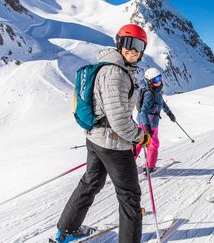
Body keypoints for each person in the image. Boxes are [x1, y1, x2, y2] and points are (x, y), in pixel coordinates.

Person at [55, 24, 151, 243]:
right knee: (130, 197)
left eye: (139, 45)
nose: (133, 50)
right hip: (114, 144)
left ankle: (67, 229)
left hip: (96, 138)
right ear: (118, 43)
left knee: (91, 182)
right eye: (128, 43)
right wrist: (140, 136)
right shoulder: (116, 73)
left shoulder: (111, 67)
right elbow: (119, 121)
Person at [135, 67, 176, 174]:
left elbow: (162, 103)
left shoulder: (156, 91)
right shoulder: (149, 94)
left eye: (160, 78)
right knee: (153, 144)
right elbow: (143, 111)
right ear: (150, 82)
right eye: (156, 80)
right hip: (149, 123)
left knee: (139, 142)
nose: (159, 81)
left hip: (145, 122)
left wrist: (169, 113)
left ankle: (128, 163)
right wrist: (148, 127)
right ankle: (150, 166)